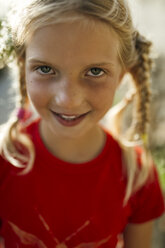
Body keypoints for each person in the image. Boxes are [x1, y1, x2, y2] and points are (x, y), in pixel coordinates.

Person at [0, 0, 164, 247]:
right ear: (24, 66)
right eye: (45, 68)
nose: (68, 100)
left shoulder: (137, 176)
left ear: (121, 75)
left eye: (95, 71)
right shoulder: (4, 160)